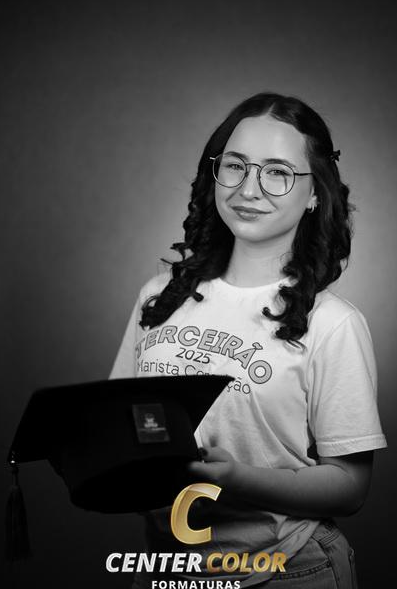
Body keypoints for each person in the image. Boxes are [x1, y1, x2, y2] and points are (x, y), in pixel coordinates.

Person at [110, 92, 387, 588]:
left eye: (277, 172)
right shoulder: (159, 296)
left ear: (315, 193)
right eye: (235, 166)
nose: (248, 188)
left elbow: (350, 487)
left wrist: (236, 478)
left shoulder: (333, 323)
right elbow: (115, 420)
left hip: (287, 568)